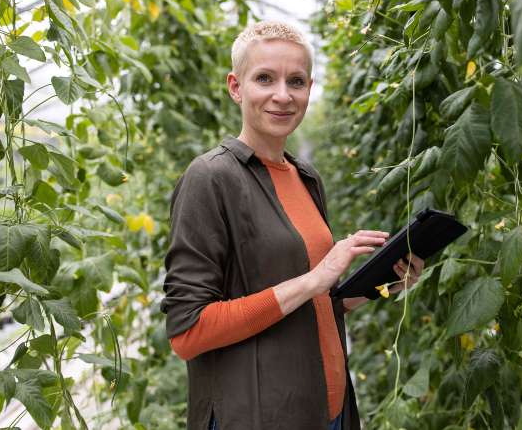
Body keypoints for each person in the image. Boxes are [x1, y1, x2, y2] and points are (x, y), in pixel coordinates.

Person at [160, 21, 425, 430]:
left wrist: (384, 285)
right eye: (265, 78)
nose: (283, 95)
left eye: (296, 81)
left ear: (309, 89)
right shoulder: (210, 178)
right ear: (236, 87)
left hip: (329, 411)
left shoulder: (306, 177)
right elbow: (188, 331)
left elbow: (319, 304)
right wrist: (314, 279)